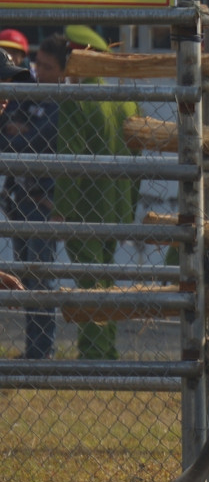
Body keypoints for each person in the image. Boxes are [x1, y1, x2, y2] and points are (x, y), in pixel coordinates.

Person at [52, 26, 140, 361]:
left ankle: (92, 351)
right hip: (116, 205)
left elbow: (70, 161)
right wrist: (128, 209)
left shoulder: (78, 101)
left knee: (90, 282)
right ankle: (108, 347)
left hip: (84, 207)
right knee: (106, 281)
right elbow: (136, 160)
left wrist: (61, 209)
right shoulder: (126, 101)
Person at [0, 38, 65, 359]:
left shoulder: (63, 101)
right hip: (20, 198)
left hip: (43, 201)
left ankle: (43, 351)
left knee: (41, 276)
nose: (40, 71)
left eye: (48, 67)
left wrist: (21, 131)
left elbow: (39, 140)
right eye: (38, 64)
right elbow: (6, 138)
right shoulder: (28, 95)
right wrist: (23, 132)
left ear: (65, 72)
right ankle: (34, 350)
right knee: (25, 278)